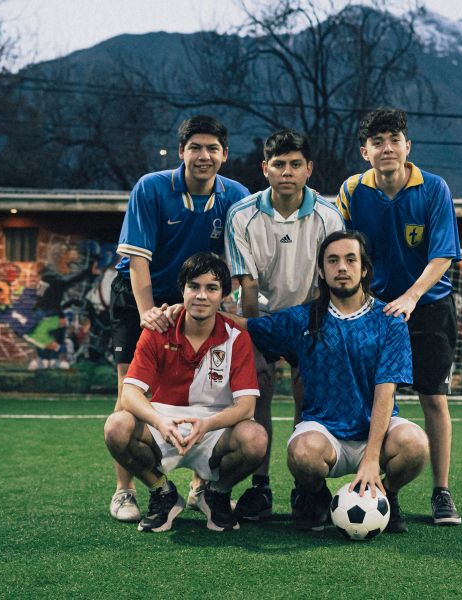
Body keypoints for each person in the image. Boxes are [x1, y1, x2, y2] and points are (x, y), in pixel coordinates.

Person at [147, 232, 429, 533]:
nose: (342, 267)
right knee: (302, 453)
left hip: (376, 431)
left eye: (350, 260)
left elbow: (385, 393)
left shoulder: (390, 320)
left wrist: (372, 459)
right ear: (321, 270)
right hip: (325, 431)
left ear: (365, 269)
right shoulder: (303, 319)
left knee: (415, 445)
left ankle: (386, 496)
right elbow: (248, 326)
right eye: (332, 261)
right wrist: (188, 308)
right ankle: (316, 497)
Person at [108, 116, 250, 522]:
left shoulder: (235, 195)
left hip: (199, 292)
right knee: (129, 389)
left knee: (208, 386)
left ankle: (200, 486)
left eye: (212, 149)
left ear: (224, 154)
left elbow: (236, 263)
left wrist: (227, 305)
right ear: (182, 151)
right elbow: (137, 260)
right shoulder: (152, 187)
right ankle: (126, 490)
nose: (203, 156)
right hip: (143, 291)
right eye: (195, 148)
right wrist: (148, 313)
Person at [336, 107, 462, 526]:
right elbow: (338, 246)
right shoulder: (353, 190)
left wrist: (411, 296)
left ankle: (441, 492)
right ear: (365, 151)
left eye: (394, 140)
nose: (386, 148)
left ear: (408, 146)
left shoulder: (433, 188)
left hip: (427, 307)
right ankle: (365, 487)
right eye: (377, 142)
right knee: (372, 395)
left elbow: (443, 254)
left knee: (433, 398)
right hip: (372, 310)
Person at [224, 128, 344, 520]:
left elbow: (328, 280)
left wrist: (312, 334)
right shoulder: (242, 215)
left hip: (310, 317)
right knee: (257, 392)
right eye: (279, 164)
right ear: (265, 168)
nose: (287, 172)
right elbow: (247, 283)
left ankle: (305, 489)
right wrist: (255, 338)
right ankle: (261, 488)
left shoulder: (329, 216)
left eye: (296, 164)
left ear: (309, 169)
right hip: (259, 316)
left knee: (306, 397)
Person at [103, 252, 266, 532]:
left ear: (223, 295)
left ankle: (217, 494)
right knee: (116, 426)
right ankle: (162, 492)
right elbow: (129, 394)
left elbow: (246, 407)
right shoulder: (158, 329)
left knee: (255, 438)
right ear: (183, 290)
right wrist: (159, 421)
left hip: (213, 428)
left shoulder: (236, 337)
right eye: (194, 286)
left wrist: (207, 424)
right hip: (165, 422)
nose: (201, 295)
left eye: (211, 288)